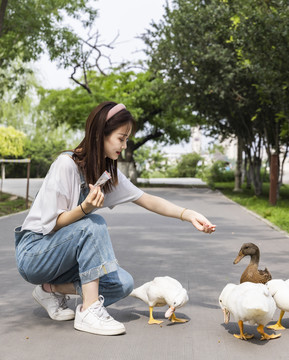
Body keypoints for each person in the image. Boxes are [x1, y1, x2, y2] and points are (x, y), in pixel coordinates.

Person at [14, 101, 216, 336]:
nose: (124, 144)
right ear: (100, 134)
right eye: (121, 138)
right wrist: (85, 208)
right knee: (93, 224)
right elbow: (52, 224)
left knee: (123, 284)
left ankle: (51, 290)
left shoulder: (106, 174)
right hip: (35, 253)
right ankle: (89, 311)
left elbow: (145, 199)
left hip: (62, 259)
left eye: (127, 139)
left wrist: (188, 214)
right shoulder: (66, 165)